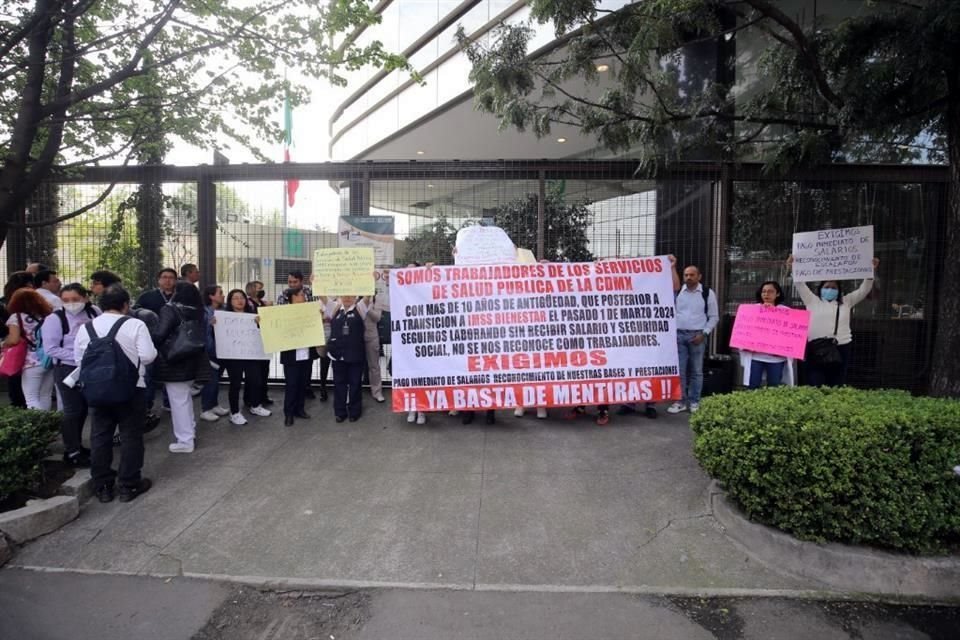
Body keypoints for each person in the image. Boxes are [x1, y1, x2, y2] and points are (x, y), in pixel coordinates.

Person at [74, 285, 157, 503]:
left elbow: (79, 360)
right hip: (131, 389)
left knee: (100, 436)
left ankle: (102, 486)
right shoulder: (135, 324)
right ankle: (129, 485)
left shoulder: (86, 328)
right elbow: (148, 356)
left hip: (97, 389)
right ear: (125, 305)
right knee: (131, 436)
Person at [789, 255, 880, 387]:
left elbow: (863, 290)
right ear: (821, 289)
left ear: (839, 291)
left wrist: (871, 272)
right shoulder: (812, 300)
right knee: (815, 381)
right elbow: (799, 284)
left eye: (833, 287)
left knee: (836, 381)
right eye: (827, 287)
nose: (830, 289)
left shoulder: (847, 301)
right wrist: (793, 266)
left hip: (840, 346)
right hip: (816, 347)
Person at [41, 284, 100, 466]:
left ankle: (78, 445)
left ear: (85, 298)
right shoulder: (55, 319)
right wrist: (78, 358)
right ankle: (71, 450)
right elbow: (51, 349)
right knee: (72, 409)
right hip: (68, 369)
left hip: (91, 366)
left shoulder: (94, 312)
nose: (71, 304)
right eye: (66, 300)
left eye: (75, 299)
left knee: (83, 408)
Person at [151, 281, 210, 453]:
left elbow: (160, 334)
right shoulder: (199, 310)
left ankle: (185, 440)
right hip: (193, 359)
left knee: (179, 401)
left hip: (174, 361)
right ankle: (189, 432)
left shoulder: (170, 309)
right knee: (185, 399)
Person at [667, 264, 719, 415]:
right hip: (679, 335)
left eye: (692, 275)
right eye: (686, 275)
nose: (688, 277)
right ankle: (681, 401)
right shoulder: (678, 293)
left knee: (696, 371)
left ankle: (694, 401)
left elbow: (714, 317)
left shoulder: (707, 293)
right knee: (680, 371)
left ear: (699, 276)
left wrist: (704, 333)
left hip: (698, 336)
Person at [219, 289, 271, 425]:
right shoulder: (224, 317)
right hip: (233, 357)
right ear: (230, 301)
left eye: (241, 297)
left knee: (256, 381)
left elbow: (263, 332)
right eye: (235, 298)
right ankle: (234, 413)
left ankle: (255, 406)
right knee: (235, 384)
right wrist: (215, 324)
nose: (239, 300)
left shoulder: (252, 315)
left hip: (251, 355)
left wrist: (261, 322)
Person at [738, 281, 796, 389]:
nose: (766, 294)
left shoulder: (786, 312)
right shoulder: (751, 310)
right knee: (752, 386)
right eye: (763, 291)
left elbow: (791, 335)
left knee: (773, 387)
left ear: (777, 294)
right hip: (756, 356)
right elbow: (743, 332)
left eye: (770, 291)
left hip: (776, 358)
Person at [2, 289, 54, 409]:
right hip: (48, 358)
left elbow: (14, 340)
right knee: (45, 395)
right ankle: (47, 423)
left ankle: (37, 426)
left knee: (31, 397)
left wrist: (4, 343)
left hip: (30, 361)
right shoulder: (47, 316)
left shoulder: (16, 317)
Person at [326, 295, 368, 423]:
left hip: (355, 355)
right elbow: (322, 298)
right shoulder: (335, 308)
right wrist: (315, 282)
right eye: (345, 295)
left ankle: (354, 411)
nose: (347, 298)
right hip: (338, 354)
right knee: (339, 384)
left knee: (355, 384)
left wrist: (372, 279)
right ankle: (340, 412)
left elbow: (368, 296)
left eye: (350, 296)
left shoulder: (360, 308)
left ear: (355, 297)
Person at [279, 288, 317, 426]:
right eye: (300, 295)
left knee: (303, 383)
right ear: (292, 298)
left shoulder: (310, 311)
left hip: (306, 354)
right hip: (291, 355)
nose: (304, 297)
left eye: (304, 295)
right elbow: (272, 327)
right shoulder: (283, 312)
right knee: (292, 384)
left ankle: (299, 409)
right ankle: (288, 414)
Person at [1, 271, 37, 408]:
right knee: (35, 393)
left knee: (14, 376)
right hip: (32, 352)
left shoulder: (5, 301)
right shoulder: (33, 304)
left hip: (14, 349)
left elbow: (12, 337)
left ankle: (17, 405)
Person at [198, 285, 230, 422]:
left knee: (216, 381)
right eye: (220, 293)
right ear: (211, 296)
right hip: (210, 352)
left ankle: (214, 404)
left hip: (222, 351)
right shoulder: (205, 312)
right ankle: (205, 409)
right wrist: (210, 325)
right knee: (210, 381)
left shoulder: (223, 310)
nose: (223, 295)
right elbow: (203, 334)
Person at [243, 280, 274, 406]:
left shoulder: (262, 303)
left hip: (264, 341)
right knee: (253, 372)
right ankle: (249, 397)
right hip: (252, 342)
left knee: (264, 370)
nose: (261, 290)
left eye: (261, 288)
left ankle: (263, 395)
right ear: (251, 289)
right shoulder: (247, 303)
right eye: (258, 288)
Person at [363, 294, 386, 404]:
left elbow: (377, 317)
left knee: (374, 366)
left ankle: (377, 392)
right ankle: (352, 392)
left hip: (371, 337)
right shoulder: (354, 296)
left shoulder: (377, 298)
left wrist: (366, 306)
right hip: (355, 337)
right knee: (353, 366)